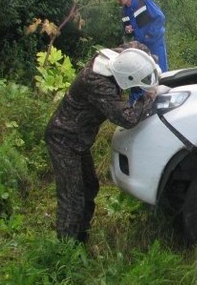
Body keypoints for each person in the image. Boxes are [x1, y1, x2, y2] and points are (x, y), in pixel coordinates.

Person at [45, 41, 162, 243]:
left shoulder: (118, 57)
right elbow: (127, 117)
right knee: (72, 199)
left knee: (90, 187)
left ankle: (81, 236)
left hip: (79, 139)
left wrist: (148, 61)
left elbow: (136, 47)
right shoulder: (97, 82)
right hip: (64, 139)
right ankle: (65, 250)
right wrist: (149, 96)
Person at [114, 0, 168, 72]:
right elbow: (128, 32)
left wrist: (149, 34)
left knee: (160, 70)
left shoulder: (143, 1)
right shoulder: (124, 12)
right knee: (145, 72)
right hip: (140, 46)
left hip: (155, 42)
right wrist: (128, 31)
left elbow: (160, 17)